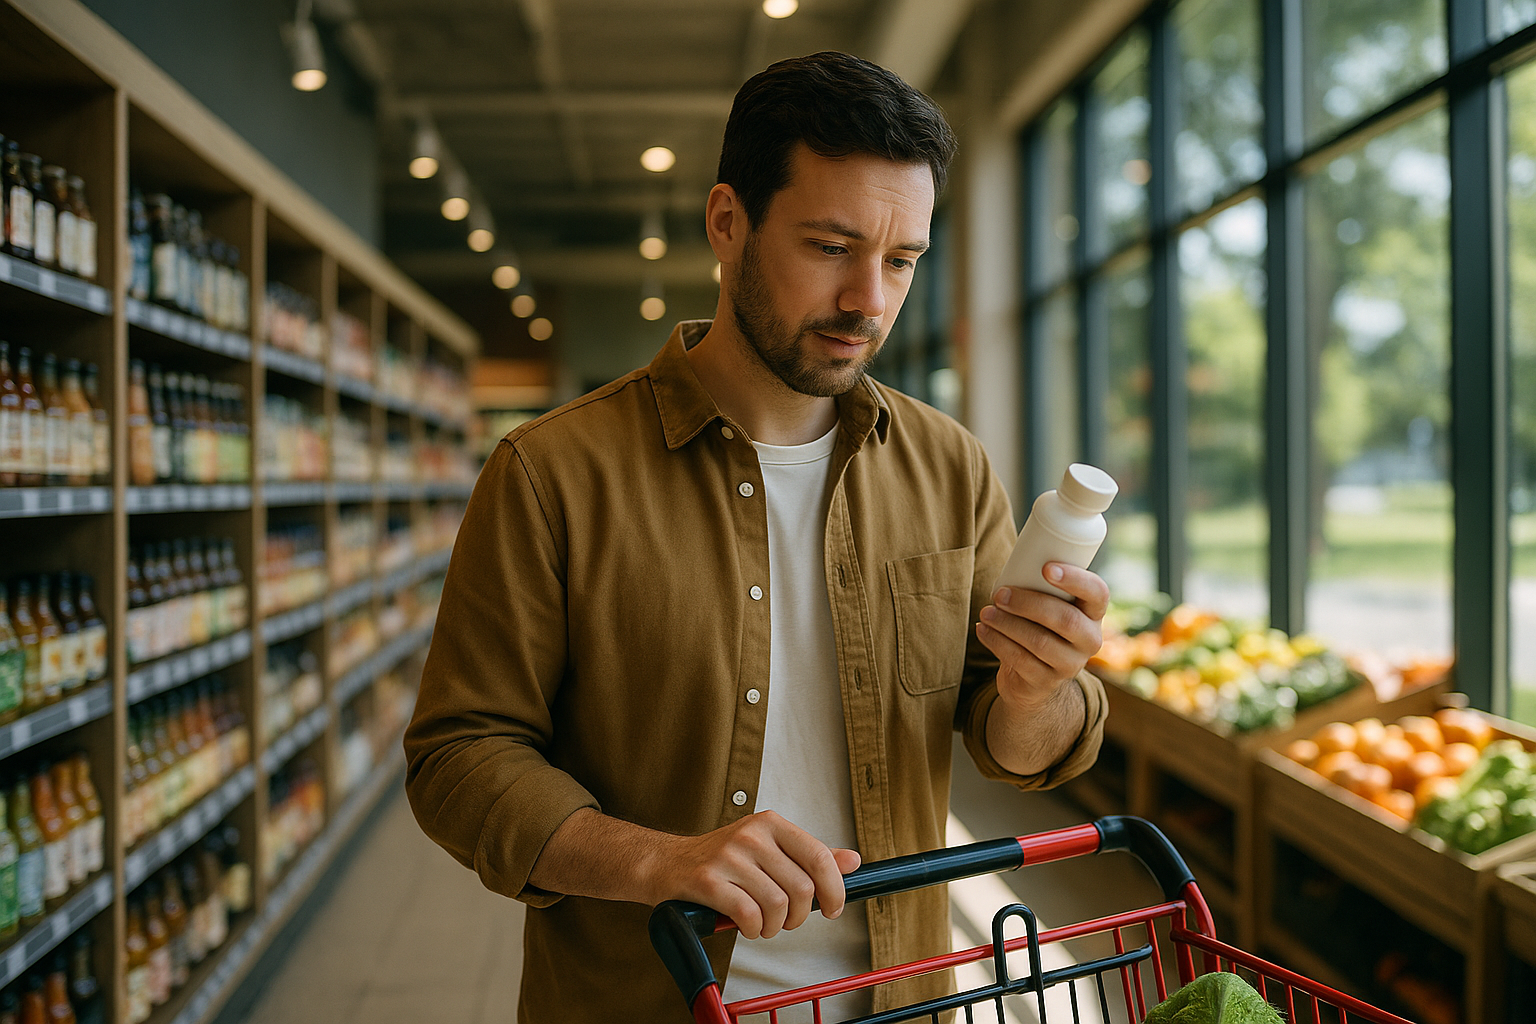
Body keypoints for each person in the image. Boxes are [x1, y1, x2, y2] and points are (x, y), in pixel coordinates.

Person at [403, 50, 1108, 1023]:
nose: (869, 300)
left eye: (901, 261)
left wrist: (1038, 690)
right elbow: (459, 755)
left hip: (899, 1002)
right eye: (831, 246)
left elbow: (1014, 739)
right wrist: (661, 860)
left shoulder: (950, 468)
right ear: (728, 222)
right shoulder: (550, 473)